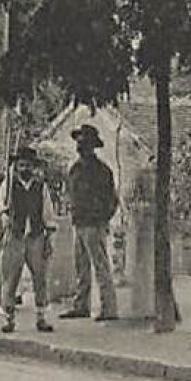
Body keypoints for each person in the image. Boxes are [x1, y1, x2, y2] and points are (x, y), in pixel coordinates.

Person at [0, 146, 57, 333]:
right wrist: (4, 217)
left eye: (28, 166)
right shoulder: (8, 185)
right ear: (15, 166)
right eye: (21, 165)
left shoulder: (41, 186)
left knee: (40, 276)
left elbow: (48, 213)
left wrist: (49, 236)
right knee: (10, 277)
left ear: (34, 167)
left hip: (36, 235)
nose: (24, 169)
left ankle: (41, 316)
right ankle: (8, 318)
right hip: (15, 234)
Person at [61, 124, 119, 321]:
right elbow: (70, 194)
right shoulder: (75, 169)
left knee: (100, 266)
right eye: (78, 141)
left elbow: (112, 199)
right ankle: (81, 305)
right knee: (81, 266)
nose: (80, 145)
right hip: (78, 222)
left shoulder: (102, 171)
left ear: (92, 146)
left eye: (84, 142)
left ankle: (109, 308)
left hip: (94, 224)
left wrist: (103, 219)